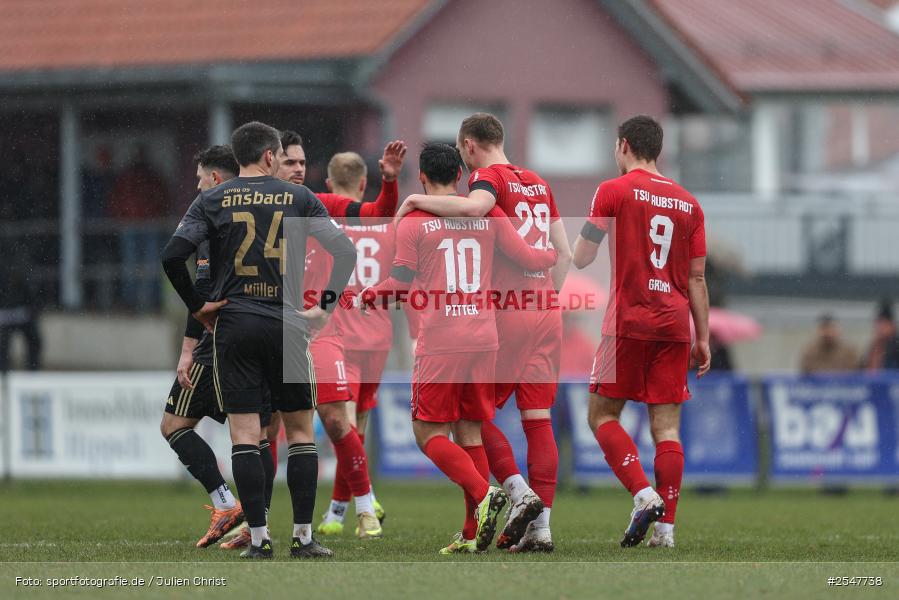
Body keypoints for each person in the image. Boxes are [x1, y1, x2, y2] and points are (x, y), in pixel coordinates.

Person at [161, 121, 357, 559]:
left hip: (235, 324)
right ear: (271, 156)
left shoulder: (211, 199)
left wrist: (198, 305)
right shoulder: (300, 197)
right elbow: (345, 251)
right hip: (287, 323)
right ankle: (304, 539)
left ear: (239, 155)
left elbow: (173, 256)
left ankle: (258, 539)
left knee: (246, 436)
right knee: (301, 433)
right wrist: (324, 307)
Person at [362, 142, 558, 554]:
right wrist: (552, 252)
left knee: (427, 432)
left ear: (423, 178)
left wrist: (364, 295)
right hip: (485, 338)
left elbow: (398, 284)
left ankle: (484, 493)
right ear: (459, 176)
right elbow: (529, 257)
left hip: (442, 340)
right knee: (470, 431)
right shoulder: (489, 213)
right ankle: (471, 535)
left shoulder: (414, 220)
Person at [572, 115, 710, 549]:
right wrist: (702, 337)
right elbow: (698, 279)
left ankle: (642, 493)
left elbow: (581, 257)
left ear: (624, 145)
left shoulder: (613, 190)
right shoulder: (689, 203)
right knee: (666, 429)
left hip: (627, 323)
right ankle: (666, 530)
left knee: (602, 415)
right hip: (674, 324)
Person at [158, 145, 256, 549]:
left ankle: (226, 503)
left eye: (200, 177)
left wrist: (188, 346)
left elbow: (197, 283)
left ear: (215, 178)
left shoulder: (210, 209)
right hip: (270, 330)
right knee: (258, 433)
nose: (197, 185)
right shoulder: (267, 206)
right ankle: (261, 527)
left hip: (219, 337)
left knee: (174, 425)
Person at [109, 146, 171, 310]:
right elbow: (117, 199)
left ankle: (151, 300)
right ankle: (135, 300)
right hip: (133, 224)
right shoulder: (134, 176)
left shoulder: (149, 176)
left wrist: (156, 216)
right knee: (133, 263)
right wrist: (122, 218)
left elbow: (162, 198)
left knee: (149, 263)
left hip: (147, 224)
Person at [861, 299, 899, 371]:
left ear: (892, 325)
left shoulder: (895, 347)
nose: (880, 328)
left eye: (884, 324)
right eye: (878, 324)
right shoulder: (874, 346)